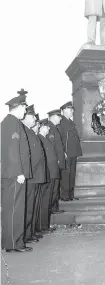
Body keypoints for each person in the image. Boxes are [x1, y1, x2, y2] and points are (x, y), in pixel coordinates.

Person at [1, 95, 33, 252]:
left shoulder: (9, 123)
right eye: (24, 108)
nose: (25, 111)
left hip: (11, 173)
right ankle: (15, 244)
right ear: (18, 107)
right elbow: (12, 150)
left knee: (11, 208)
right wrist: (19, 172)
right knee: (15, 209)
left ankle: (10, 242)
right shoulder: (12, 123)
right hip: (15, 174)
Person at [22, 105, 46, 243]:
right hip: (31, 176)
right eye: (32, 117)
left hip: (36, 175)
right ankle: (26, 234)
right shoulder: (25, 132)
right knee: (29, 206)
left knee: (33, 206)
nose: (35, 120)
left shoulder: (30, 133)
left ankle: (30, 232)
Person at [57, 101, 82, 201]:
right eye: (69, 109)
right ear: (63, 111)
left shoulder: (71, 122)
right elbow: (59, 139)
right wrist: (62, 152)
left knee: (72, 174)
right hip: (66, 153)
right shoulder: (61, 122)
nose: (72, 111)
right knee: (65, 175)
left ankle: (70, 194)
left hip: (73, 152)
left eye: (72, 109)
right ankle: (64, 195)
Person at [38, 118, 59, 233]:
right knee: (45, 201)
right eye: (46, 127)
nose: (49, 128)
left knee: (49, 199)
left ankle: (45, 225)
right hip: (48, 173)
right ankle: (43, 226)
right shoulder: (40, 139)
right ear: (41, 127)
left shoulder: (45, 139)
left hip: (52, 172)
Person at [47, 109, 66, 213]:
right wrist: (58, 159)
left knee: (55, 186)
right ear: (54, 117)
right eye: (59, 117)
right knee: (53, 187)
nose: (60, 118)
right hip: (54, 163)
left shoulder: (54, 128)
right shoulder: (50, 128)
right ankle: (52, 208)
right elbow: (52, 147)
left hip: (56, 162)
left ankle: (54, 207)